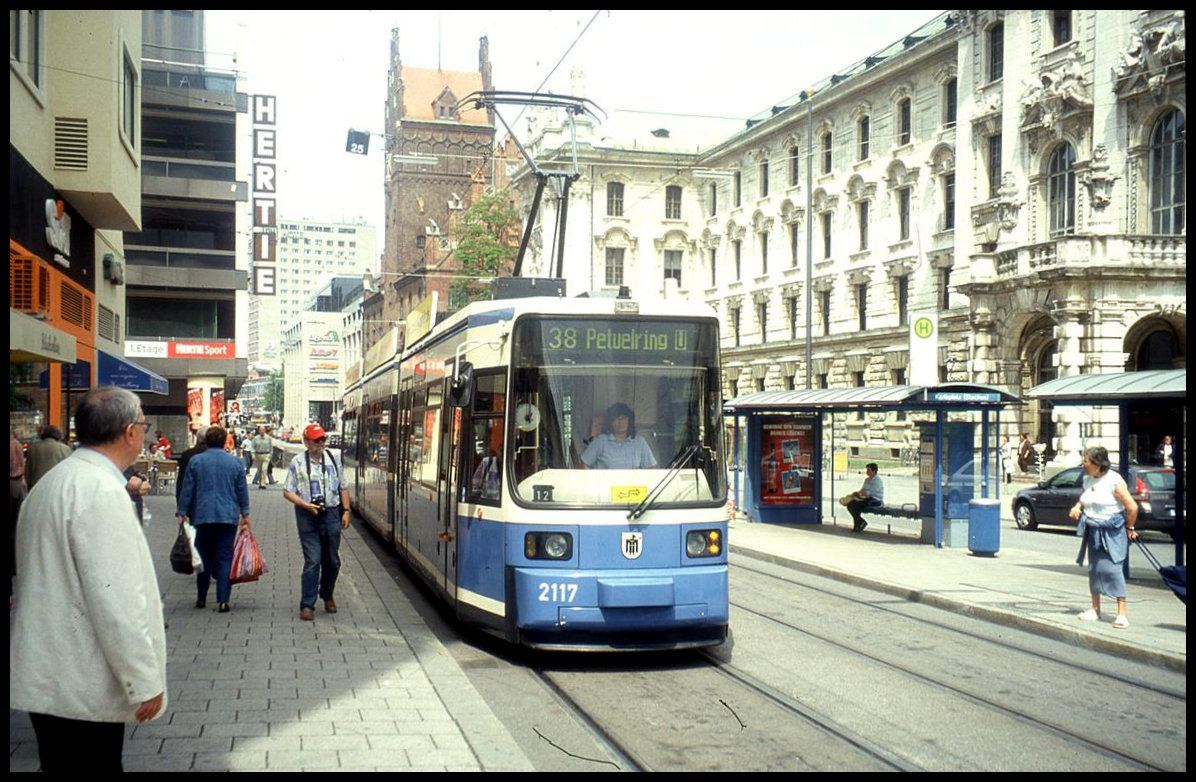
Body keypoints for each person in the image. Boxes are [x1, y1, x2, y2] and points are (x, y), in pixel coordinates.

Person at [10, 386, 167, 771]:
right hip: (83, 681)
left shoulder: (52, 483)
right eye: (143, 424)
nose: (144, 432)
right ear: (130, 432)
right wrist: (143, 680)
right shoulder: (100, 491)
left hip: (51, 674)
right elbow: (116, 600)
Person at [176, 426, 251, 613]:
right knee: (225, 557)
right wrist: (245, 513)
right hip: (228, 516)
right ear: (225, 441)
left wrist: (182, 511)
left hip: (202, 515)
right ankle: (223, 600)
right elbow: (241, 490)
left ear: (206, 441)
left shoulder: (196, 461)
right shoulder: (235, 462)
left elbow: (187, 488)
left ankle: (201, 597)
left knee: (204, 556)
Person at [282, 424, 350, 621]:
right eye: (316, 440)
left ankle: (327, 594)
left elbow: (343, 486)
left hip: (331, 513)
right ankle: (307, 604)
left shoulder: (334, 458)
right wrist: (305, 505)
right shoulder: (297, 462)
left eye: (323, 439)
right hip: (307, 515)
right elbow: (287, 491)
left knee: (333, 561)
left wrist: (346, 511)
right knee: (313, 560)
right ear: (306, 442)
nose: (321, 443)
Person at [1069, 446, 1138, 630]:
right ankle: (1095, 609)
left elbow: (1132, 507)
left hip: (1111, 532)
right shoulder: (1088, 479)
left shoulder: (1114, 481)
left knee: (1113, 570)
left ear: (1098, 464)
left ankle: (1122, 614)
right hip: (1093, 530)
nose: (1083, 465)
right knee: (1094, 570)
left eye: (1086, 461)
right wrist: (1077, 507)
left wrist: (1130, 527)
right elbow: (1085, 498)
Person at [580, 403, 658, 470]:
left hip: (633, 483)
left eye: (623, 417)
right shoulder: (601, 441)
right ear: (610, 422)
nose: (620, 421)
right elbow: (584, 464)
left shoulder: (639, 442)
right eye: (616, 418)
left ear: (629, 420)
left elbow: (651, 468)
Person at [25, 425, 72, 490]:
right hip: (56, 487)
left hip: (36, 487)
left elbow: (28, 472)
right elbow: (68, 473)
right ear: (58, 436)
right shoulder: (64, 449)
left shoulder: (32, 449)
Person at [846, 463, 885, 533]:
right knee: (850, 504)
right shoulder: (867, 480)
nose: (867, 472)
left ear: (874, 471)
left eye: (869, 470)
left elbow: (870, 493)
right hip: (866, 499)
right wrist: (856, 494)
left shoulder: (877, 481)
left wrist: (862, 495)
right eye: (867, 470)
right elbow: (863, 490)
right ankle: (860, 522)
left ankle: (858, 525)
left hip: (875, 500)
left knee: (857, 505)